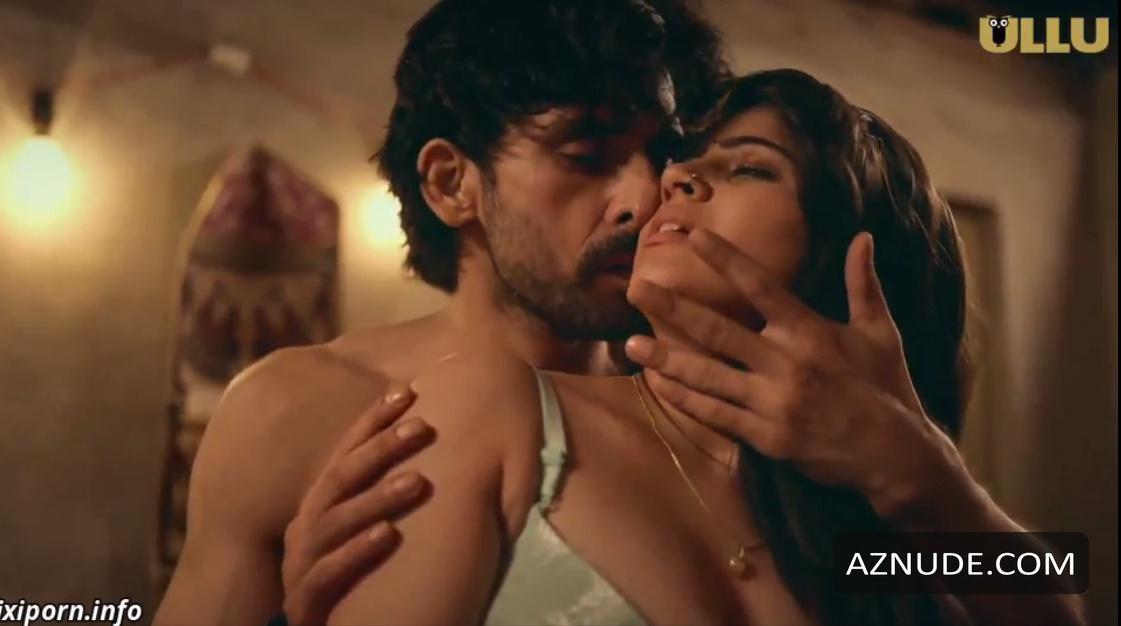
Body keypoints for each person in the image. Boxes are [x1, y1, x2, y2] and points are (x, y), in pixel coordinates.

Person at [281, 71, 1085, 626]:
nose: (673, 181)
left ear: (853, 252)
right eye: (685, 164)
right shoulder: (491, 412)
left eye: (748, 169)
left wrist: (923, 477)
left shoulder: (877, 520)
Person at [153, 1, 728, 625]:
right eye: (587, 155)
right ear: (452, 184)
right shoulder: (296, 413)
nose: (645, 198)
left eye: (663, 157)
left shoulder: (709, 404)